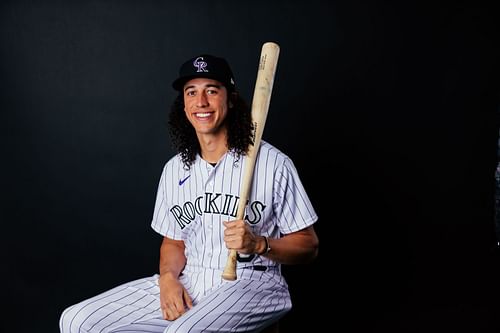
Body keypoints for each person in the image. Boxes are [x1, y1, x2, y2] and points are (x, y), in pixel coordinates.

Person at [59, 53, 319, 333]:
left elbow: (309, 245)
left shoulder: (273, 164)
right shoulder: (175, 170)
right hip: (191, 279)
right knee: (76, 320)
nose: (201, 102)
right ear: (183, 105)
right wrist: (168, 278)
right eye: (191, 92)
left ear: (230, 99)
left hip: (253, 283)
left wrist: (258, 244)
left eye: (212, 90)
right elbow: (173, 243)